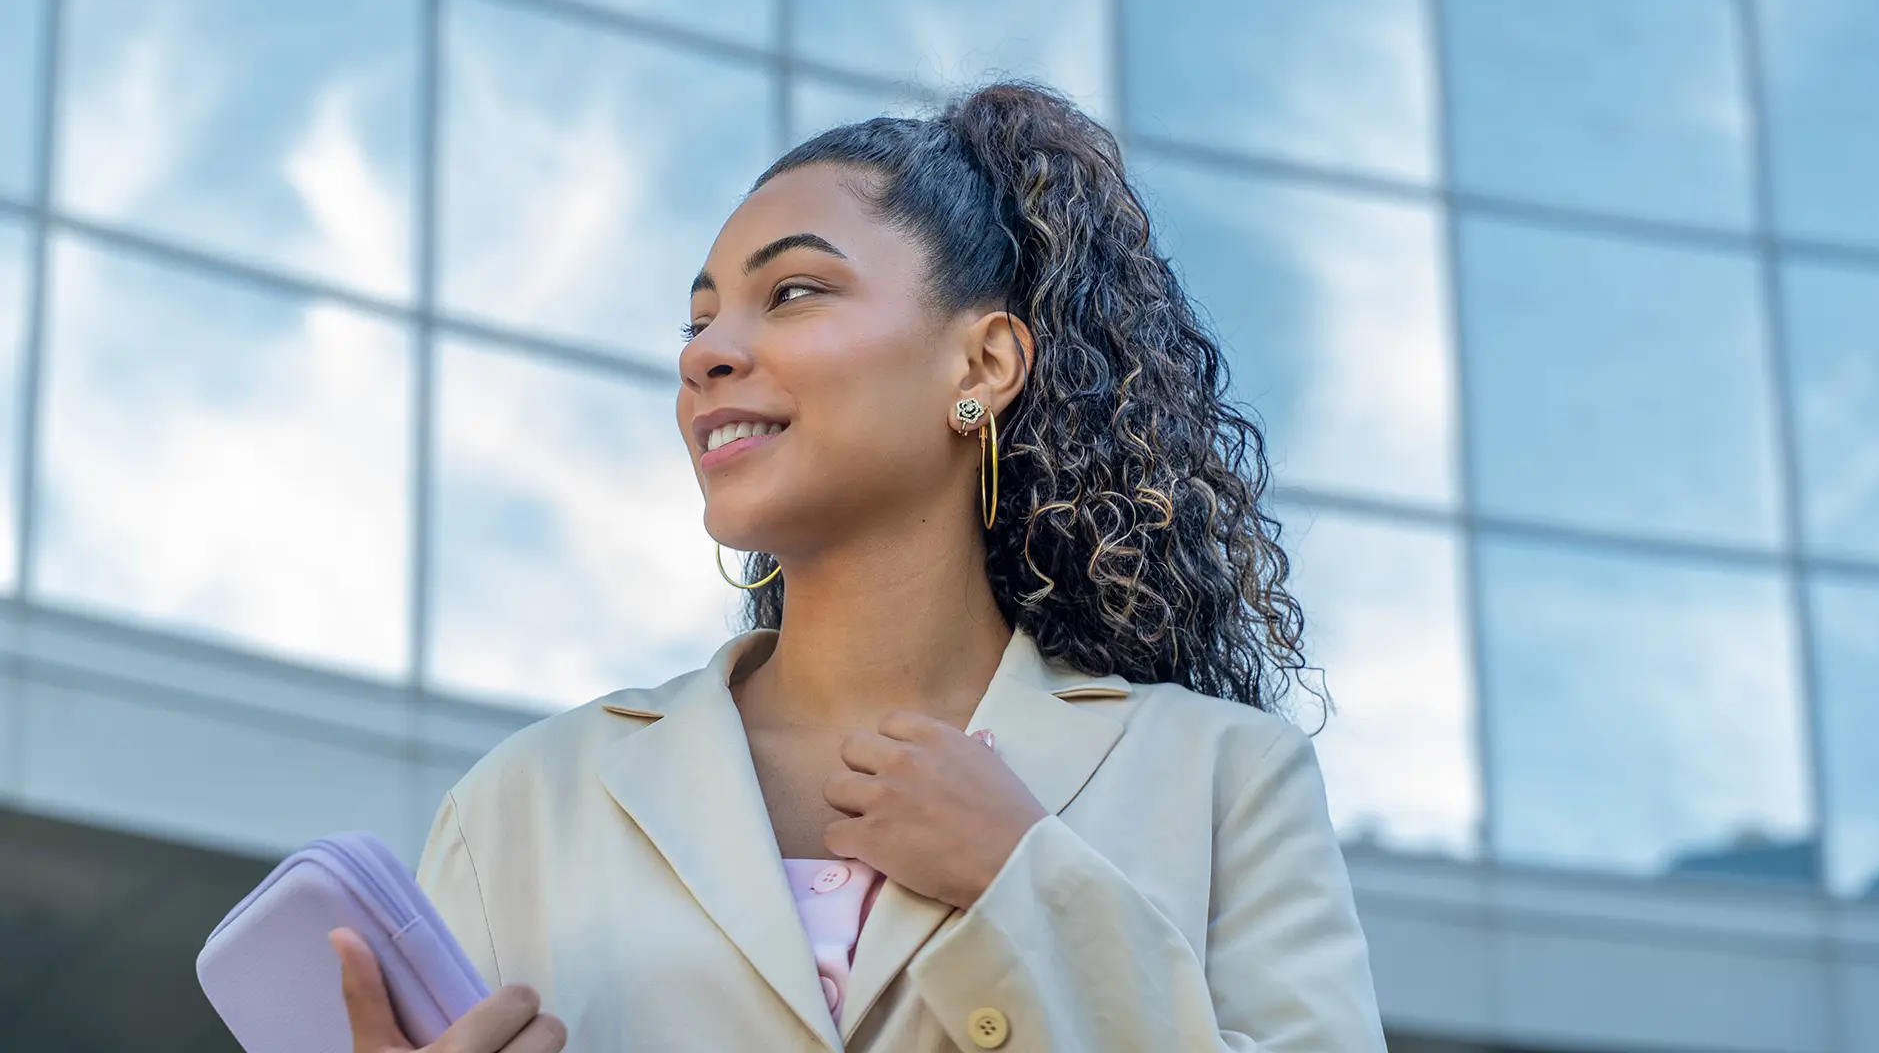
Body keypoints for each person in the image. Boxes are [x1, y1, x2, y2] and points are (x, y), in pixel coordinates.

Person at [331, 80, 1388, 1051]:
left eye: (791, 291)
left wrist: (1025, 880)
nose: (706, 352)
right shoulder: (523, 805)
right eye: (698, 321)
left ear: (982, 364)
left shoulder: (1224, 779)